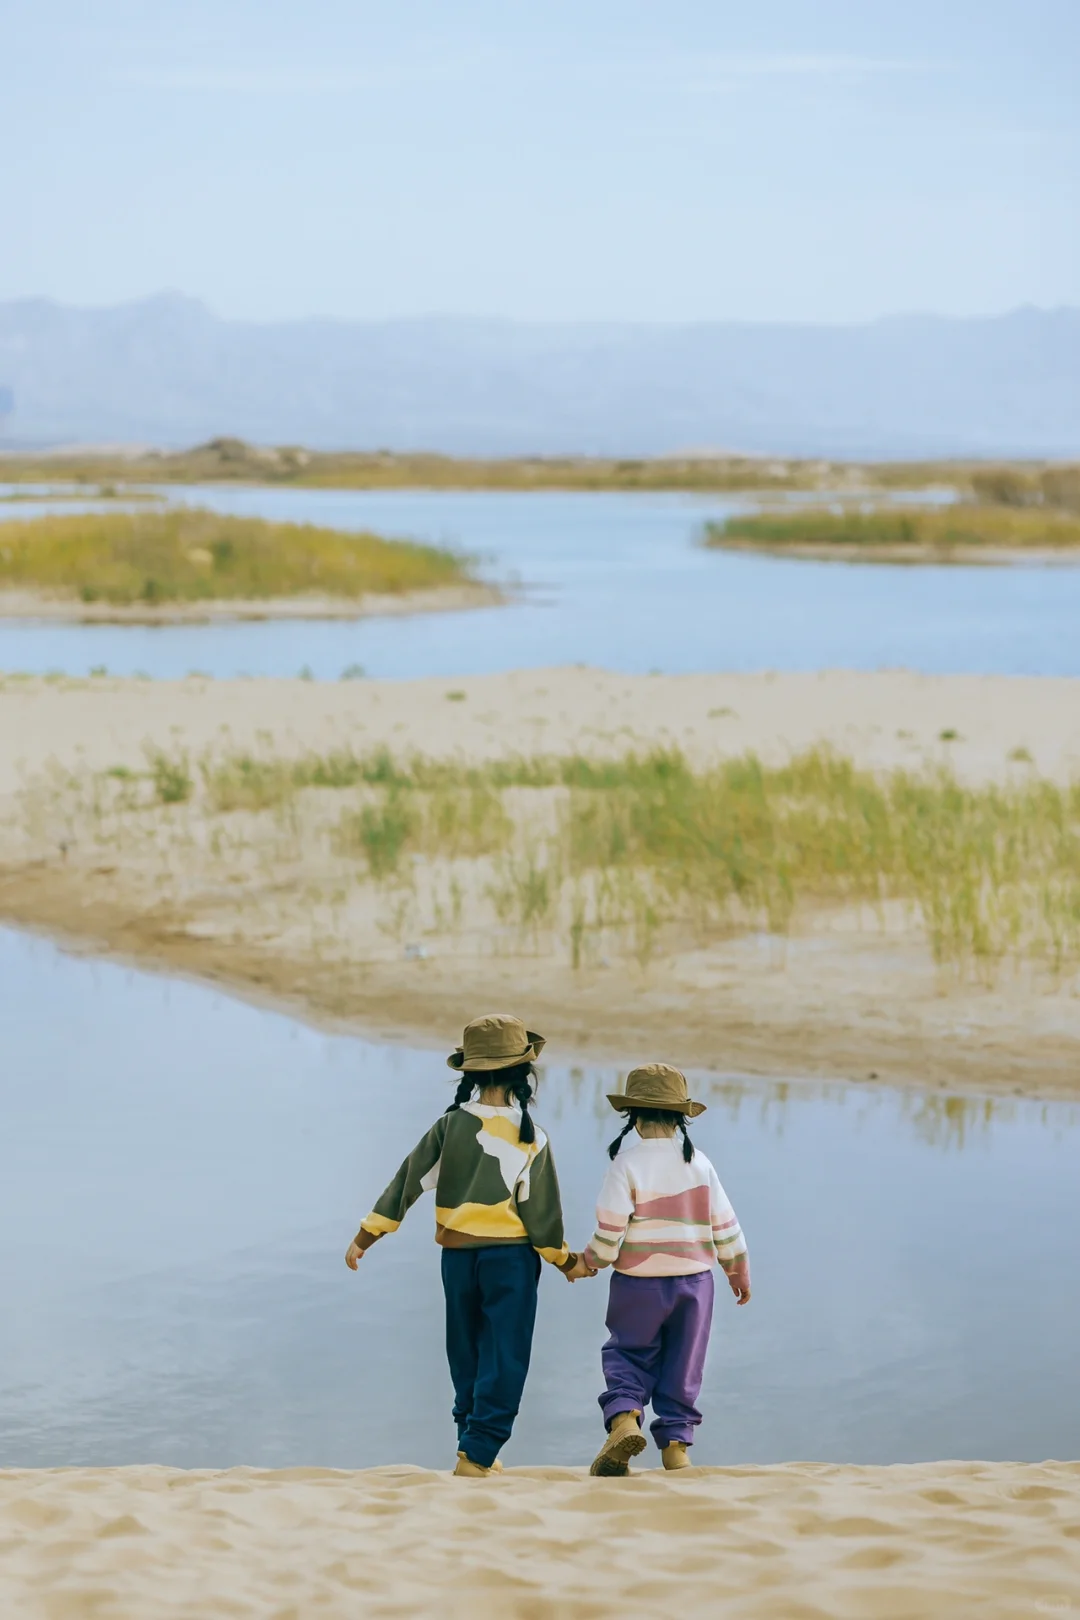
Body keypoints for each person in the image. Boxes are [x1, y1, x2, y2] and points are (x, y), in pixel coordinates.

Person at [345, 1013, 579, 1476]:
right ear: (523, 1077)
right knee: (505, 1353)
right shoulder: (533, 1137)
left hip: (456, 1260)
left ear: (468, 1074)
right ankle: (478, 1451)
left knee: (466, 1351)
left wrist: (365, 1237)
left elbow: (404, 1185)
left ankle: (469, 1443)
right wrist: (565, 1261)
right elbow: (543, 1218)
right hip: (511, 1261)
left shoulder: (448, 1127)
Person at [566, 1063, 751, 1476]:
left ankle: (626, 1418)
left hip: (638, 1284)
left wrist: (588, 1263)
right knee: (685, 1361)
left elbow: (610, 1230)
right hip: (696, 1283)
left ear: (633, 1117)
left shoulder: (626, 1163)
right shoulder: (700, 1163)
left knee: (629, 1352)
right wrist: (737, 1269)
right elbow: (724, 1224)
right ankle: (676, 1451)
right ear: (681, 1116)